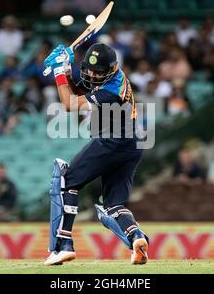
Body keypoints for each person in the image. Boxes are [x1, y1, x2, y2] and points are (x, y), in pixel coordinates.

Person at [42, 43, 149, 265]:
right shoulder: (110, 77)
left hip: (112, 141)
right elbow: (81, 90)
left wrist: (59, 72)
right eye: (89, 70)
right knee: (114, 206)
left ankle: (64, 246)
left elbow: (70, 104)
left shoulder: (111, 91)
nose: (92, 75)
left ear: (112, 69)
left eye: (98, 72)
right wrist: (67, 69)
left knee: (66, 182)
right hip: (133, 145)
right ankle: (136, 237)